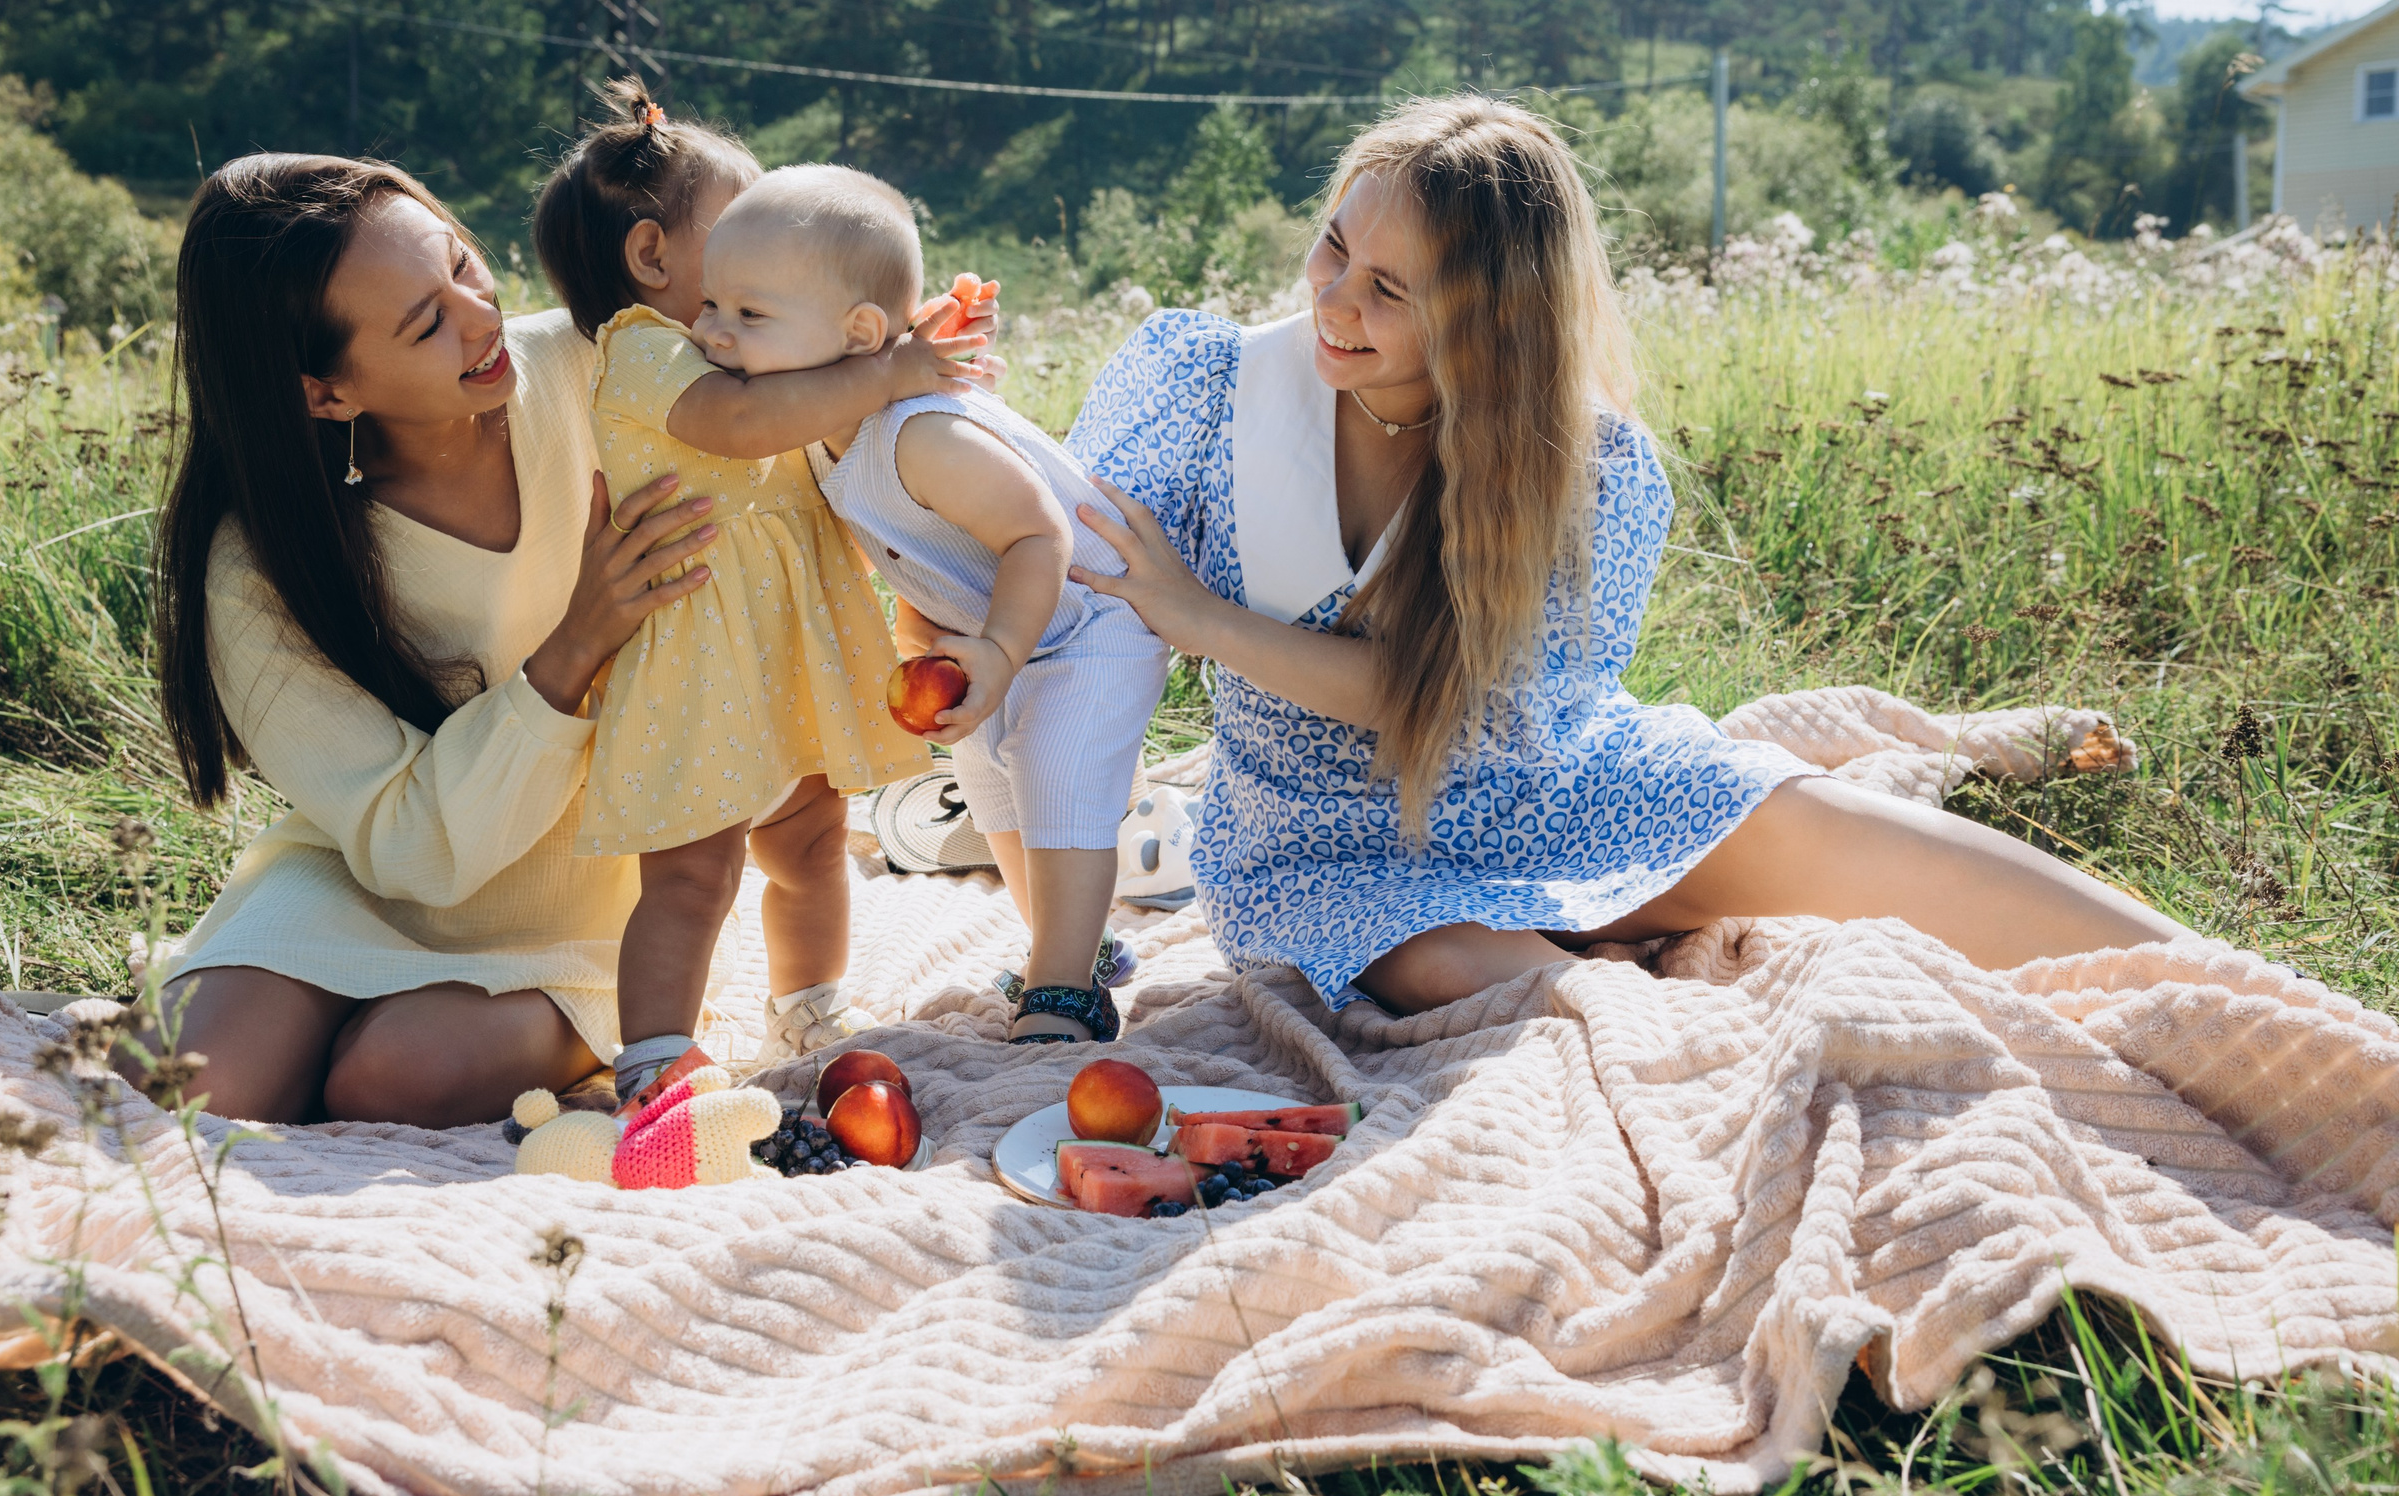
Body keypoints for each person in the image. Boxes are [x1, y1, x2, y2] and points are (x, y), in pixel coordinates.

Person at [1062, 95, 2194, 1018]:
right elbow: (1048, 555)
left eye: (1389, 289)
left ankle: (2274, 1009)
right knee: (1520, 1000)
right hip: (1327, 849)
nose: (1334, 299)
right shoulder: (1205, 383)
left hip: (1565, 788)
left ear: (1488, 321)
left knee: (1904, 859)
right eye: (1333, 246)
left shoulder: (1583, 463)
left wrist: (1202, 621)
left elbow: (1448, 711)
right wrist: (917, 409)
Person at [146, 151, 986, 1128]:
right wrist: (577, 641)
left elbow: (797, 414)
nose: (479, 317)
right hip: (373, 875)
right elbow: (403, 844)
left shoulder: (608, 369)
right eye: (426, 323)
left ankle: (515, 1028)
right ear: (324, 393)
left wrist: (903, 353)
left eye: (461, 265)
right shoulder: (260, 563)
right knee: (195, 1089)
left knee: (387, 1081)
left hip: (591, 892)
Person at [530, 84, 989, 1101]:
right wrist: (885, 374)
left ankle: (809, 1002)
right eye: (746, 232)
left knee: (815, 840)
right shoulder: (644, 351)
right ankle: (654, 1055)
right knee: (692, 874)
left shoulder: (754, 349)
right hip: (696, 655)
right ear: (653, 260)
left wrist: (898, 345)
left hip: (781, 652)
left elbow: (829, 413)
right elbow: (740, 427)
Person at [696, 167, 1171, 1044]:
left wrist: (995, 648)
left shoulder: (921, 434)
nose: (712, 333)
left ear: (860, 334)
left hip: (1092, 613)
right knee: (998, 785)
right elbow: (921, 551)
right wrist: (947, 640)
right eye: (709, 304)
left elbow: (1038, 535)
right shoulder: (826, 425)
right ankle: (1067, 949)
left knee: (1059, 773)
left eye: (748, 315)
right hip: (996, 632)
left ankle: (1064, 993)